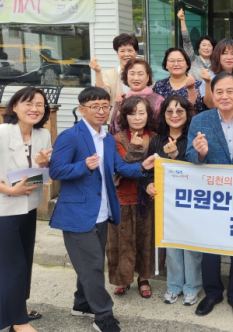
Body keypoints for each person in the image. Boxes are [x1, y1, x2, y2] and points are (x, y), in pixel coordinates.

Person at [49, 87, 156, 332]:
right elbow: (55, 170)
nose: (101, 111)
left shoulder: (107, 139)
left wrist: (143, 166)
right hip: (77, 215)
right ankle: (103, 316)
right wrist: (83, 166)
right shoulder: (70, 136)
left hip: (102, 212)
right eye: (94, 106)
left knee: (90, 264)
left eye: (105, 106)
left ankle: (82, 304)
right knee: (93, 265)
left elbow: (120, 168)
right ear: (81, 109)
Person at [186, 72, 233, 321]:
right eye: (219, 91)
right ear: (212, 94)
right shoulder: (200, 120)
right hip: (212, 197)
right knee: (210, 247)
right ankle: (212, 293)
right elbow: (189, 156)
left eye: (230, 91)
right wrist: (199, 153)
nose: (224, 96)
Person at [0, 87, 52, 332]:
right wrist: (10, 190)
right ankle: (18, 322)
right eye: (28, 103)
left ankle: (18, 308)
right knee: (10, 266)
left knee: (24, 262)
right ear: (15, 107)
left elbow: (41, 173)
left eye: (39, 104)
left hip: (27, 207)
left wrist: (45, 164)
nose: (34, 109)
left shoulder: (42, 134)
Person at [146, 95, 203, 306]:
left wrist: (175, 156)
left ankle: (192, 287)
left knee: (191, 247)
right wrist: (148, 185)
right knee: (172, 247)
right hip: (167, 203)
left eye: (180, 111)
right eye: (169, 111)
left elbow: (197, 169)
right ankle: (174, 285)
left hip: (191, 202)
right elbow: (148, 171)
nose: (174, 115)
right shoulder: (157, 141)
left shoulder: (193, 140)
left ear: (187, 114)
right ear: (163, 115)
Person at [106, 97, 157, 299]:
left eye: (142, 113)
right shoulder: (116, 139)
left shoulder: (154, 137)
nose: (137, 118)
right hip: (122, 197)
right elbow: (121, 170)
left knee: (146, 240)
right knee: (121, 242)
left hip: (147, 198)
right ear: (124, 116)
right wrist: (135, 150)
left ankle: (143, 278)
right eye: (132, 113)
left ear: (148, 115)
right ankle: (122, 279)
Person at [108, 58, 164, 135]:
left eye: (140, 74)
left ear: (148, 77)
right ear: (126, 76)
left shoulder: (158, 100)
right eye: (132, 74)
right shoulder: (121, 100)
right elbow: (113, 128)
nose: (136, 78)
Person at [152, 47, 209, 112]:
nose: (176, 64)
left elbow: (207, 107)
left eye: (180, 60)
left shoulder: (198, 85)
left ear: (187, 64)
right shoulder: (159, 85)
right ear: (166, 65)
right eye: (171, 61)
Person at [89, 33, 138, 108]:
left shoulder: (144, 73)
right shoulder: (109, 74)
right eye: (122, 51)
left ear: (136, 52)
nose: (126, 54)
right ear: (117, 52)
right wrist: (97, 72)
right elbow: (101, 95)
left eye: (130, 50)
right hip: (116, 114)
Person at [177, 8, 216, 80]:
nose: (206, 48)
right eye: (203, 45)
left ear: (213, 49)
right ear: (198, 48)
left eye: (209, 45)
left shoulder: (217, 63)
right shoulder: (193, 59)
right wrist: (182, 21)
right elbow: (186, 41)